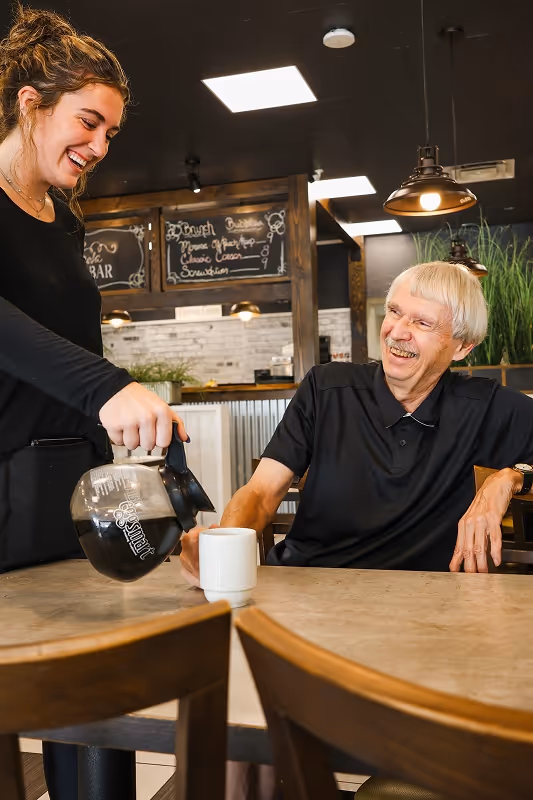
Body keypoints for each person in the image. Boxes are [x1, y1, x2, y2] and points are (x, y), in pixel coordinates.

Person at [0, 5, 186, 798]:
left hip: (71, 489)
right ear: (28, 103)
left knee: (100, 703)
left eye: (110, 132)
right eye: (87, 122)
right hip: (2, 492)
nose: (100, 147)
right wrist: (109, 386)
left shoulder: (64, 217)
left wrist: (157, 453)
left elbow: (75, 351)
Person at [181, 260, 533, 581]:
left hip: (423, 613)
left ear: (461, 347)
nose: (397, 332)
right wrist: (223, 545)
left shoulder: (487, 406)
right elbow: (260, 492)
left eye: (422, 322)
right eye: (395, 312)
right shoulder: (326, 388)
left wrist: (511, 478)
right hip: (305, 591)